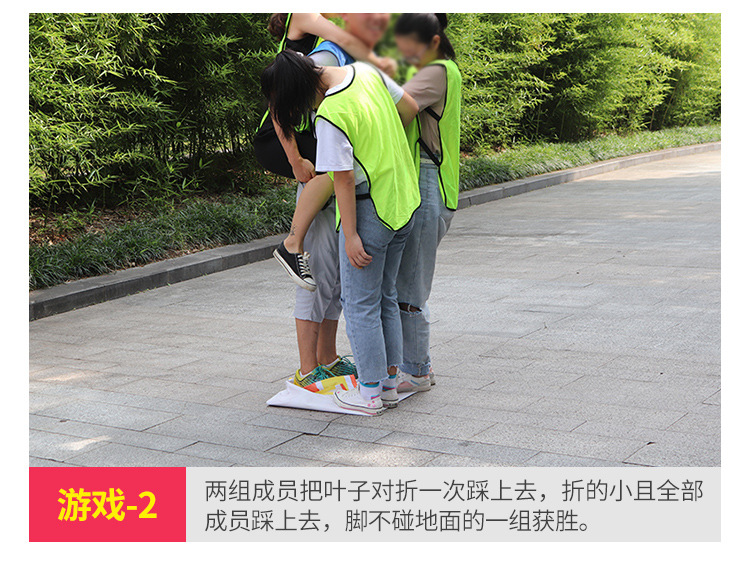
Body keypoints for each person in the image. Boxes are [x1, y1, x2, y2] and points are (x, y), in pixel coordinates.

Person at [261, 50, 420, 415]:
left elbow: (343, 179)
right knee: (385, 297)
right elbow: (406, 111)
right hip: (403, 202)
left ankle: (369, 393)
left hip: (371, 212)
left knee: (360, 304)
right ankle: (389, 385)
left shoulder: (331, 114)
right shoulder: (366, 72)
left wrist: (350, 235)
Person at [255, 14, 395, 388]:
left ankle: (326, 358)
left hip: (319, 160)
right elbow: (278, 106)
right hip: (293, 150)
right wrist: (295, 160)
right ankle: (307, 370)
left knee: (332, 277)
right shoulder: (325, 53)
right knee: (317, 272)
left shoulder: (342, 62)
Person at [393, 14, 462, 392]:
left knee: (410, 285)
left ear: (433, 41)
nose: (404, 54)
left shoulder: (436, 72)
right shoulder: (443, 69)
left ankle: (417, 370)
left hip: (427, 182)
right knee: (409, 279)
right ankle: (416, 365)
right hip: (431, 182)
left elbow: (396, 111)